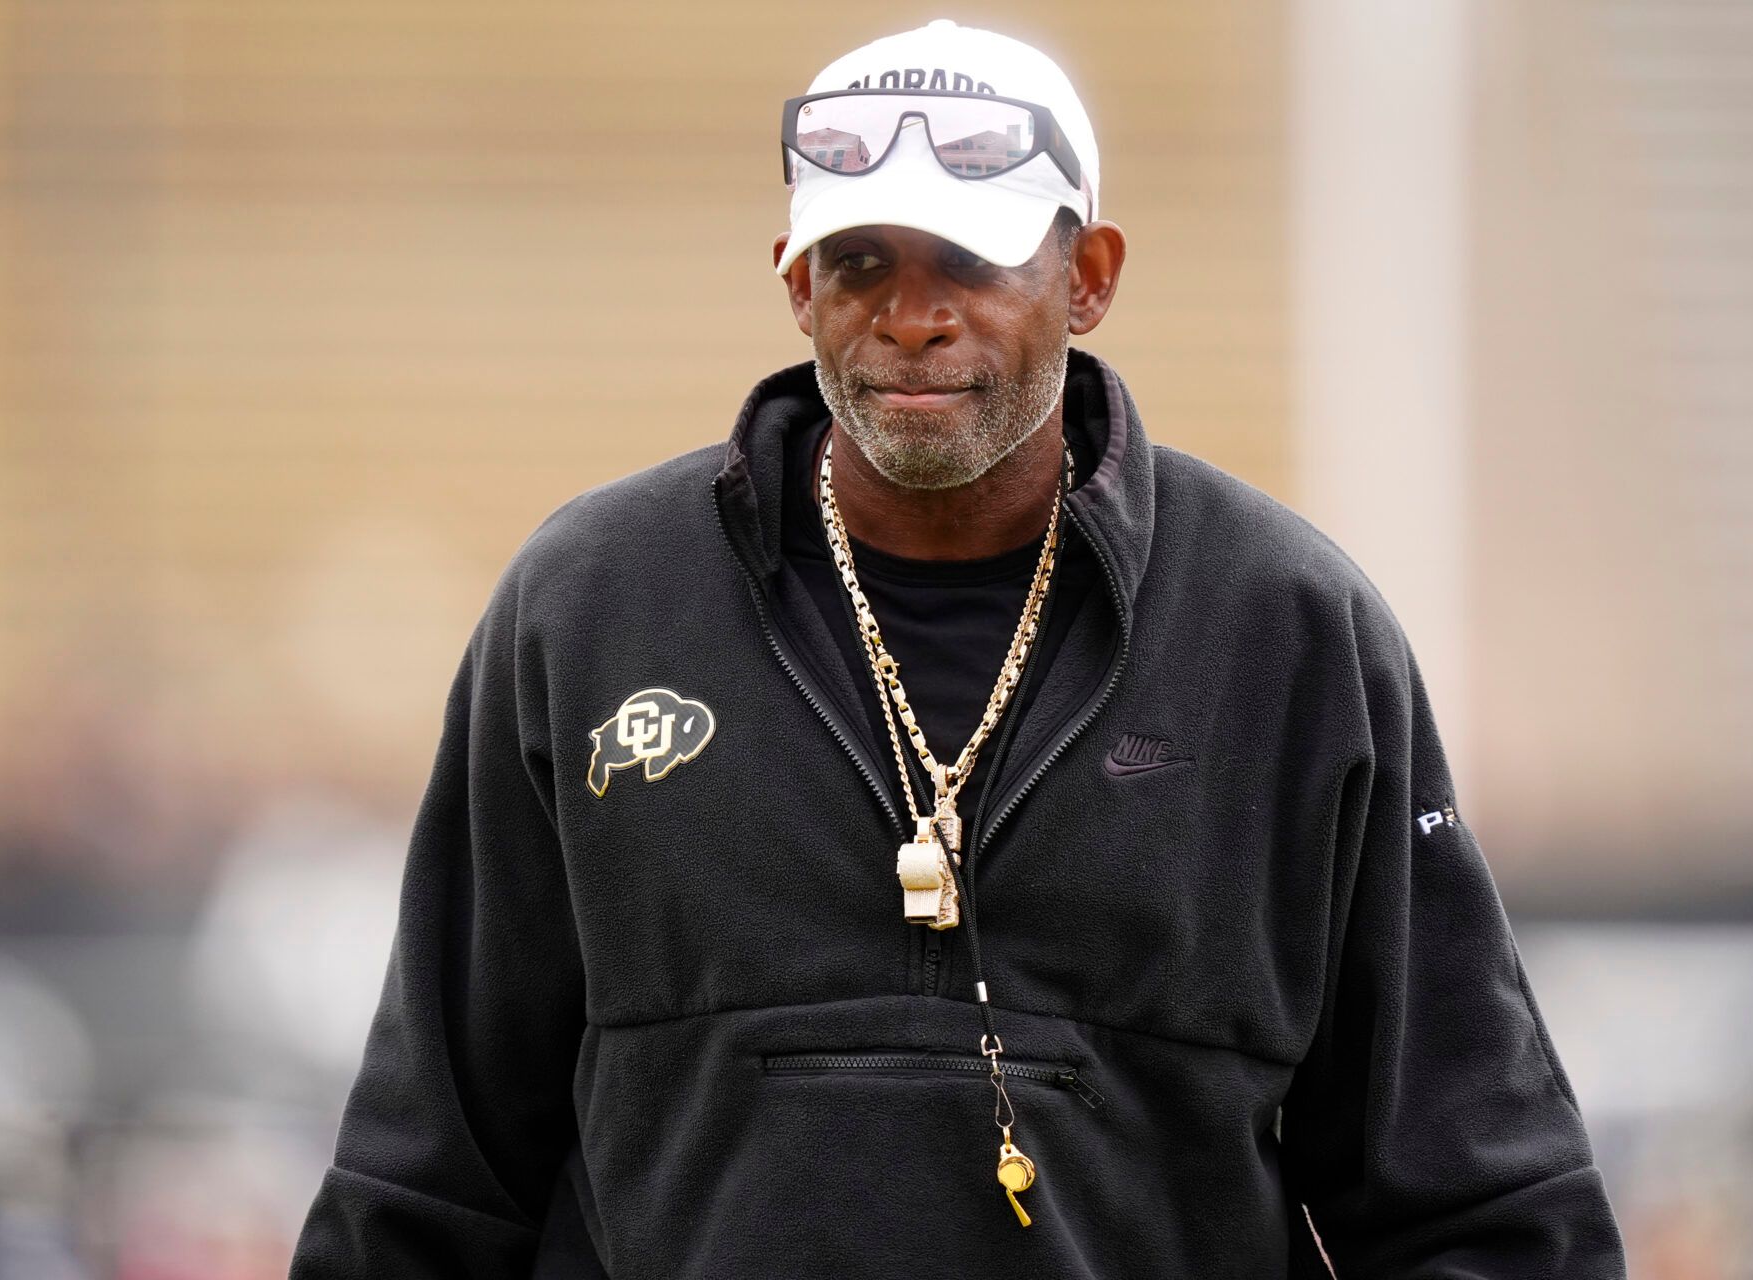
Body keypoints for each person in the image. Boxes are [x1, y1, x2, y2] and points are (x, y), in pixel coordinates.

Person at [290, 19, 1626, 1278]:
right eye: (862, 263)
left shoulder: (1288, 633)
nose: (914, 316)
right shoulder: (585, 609)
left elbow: (1481, 1206)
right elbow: (428, 1185)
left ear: (1090, 277)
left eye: (972, 264)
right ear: (797, 282)